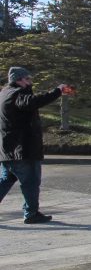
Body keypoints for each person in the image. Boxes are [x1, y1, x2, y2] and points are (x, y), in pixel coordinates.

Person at [0, 67, 74, 224]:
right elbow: (32, 102)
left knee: (6, 180)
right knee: (31, 182)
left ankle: (32, 212)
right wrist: (57, 91)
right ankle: (31, 213)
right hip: (23, 149)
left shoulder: (4, 93)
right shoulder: (17, 95)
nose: (30, 81)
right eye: (27, 79)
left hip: (8, 149)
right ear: (18, 80)